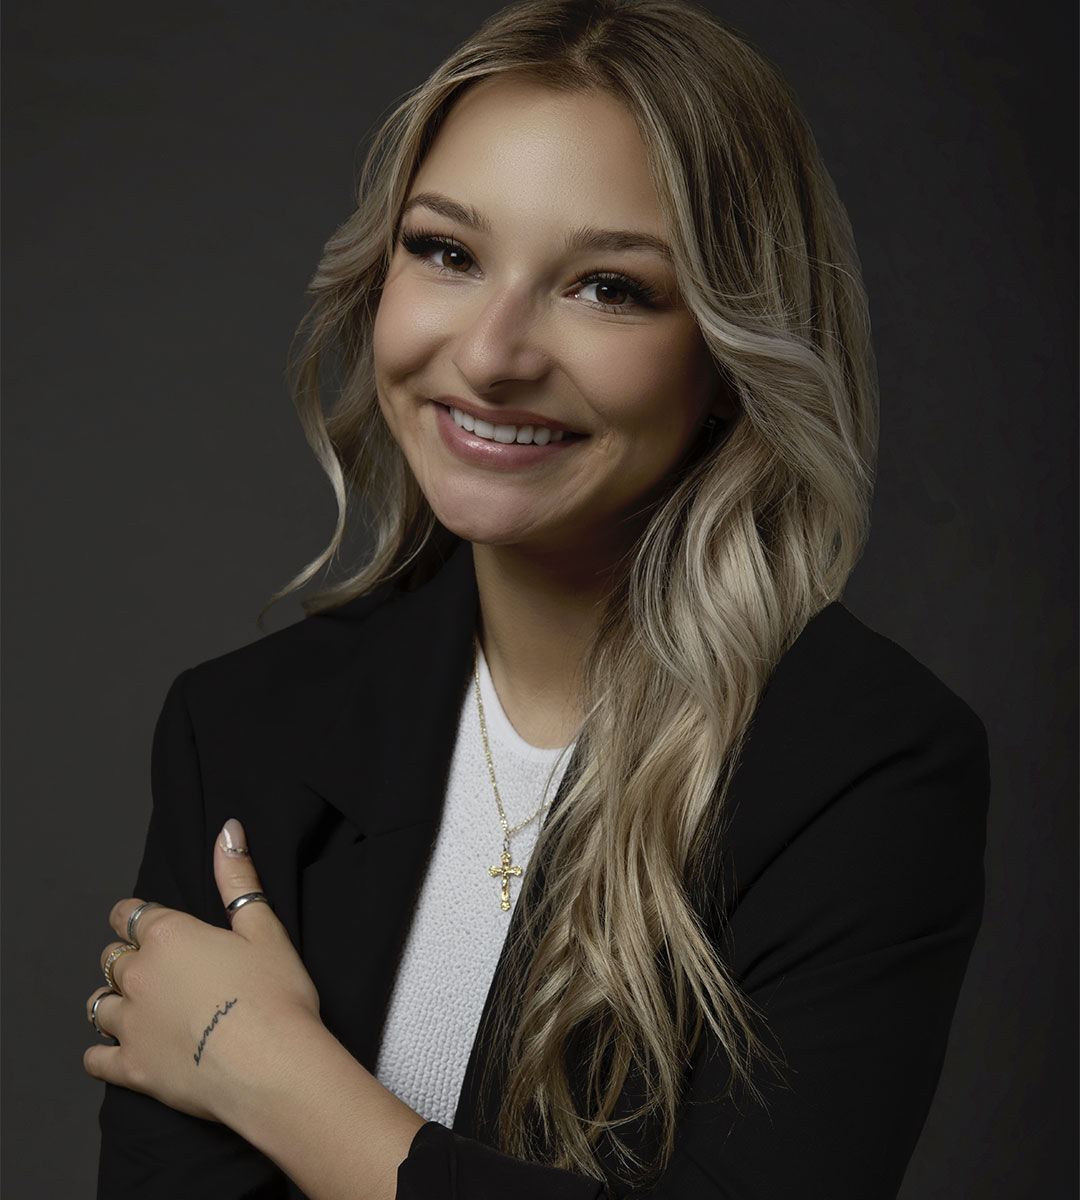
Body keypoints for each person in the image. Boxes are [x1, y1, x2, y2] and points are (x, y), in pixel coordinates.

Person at [84, 1, 990, 1196]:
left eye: (608, 287)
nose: (495, 353)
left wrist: (267, 1069)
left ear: (728, 351)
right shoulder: (243, 728)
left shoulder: (862, 767)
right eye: (447, 252)